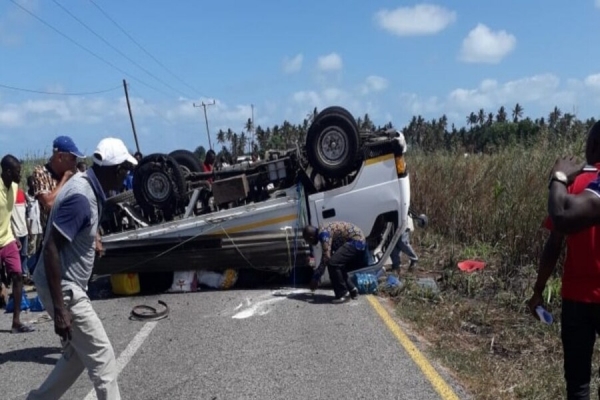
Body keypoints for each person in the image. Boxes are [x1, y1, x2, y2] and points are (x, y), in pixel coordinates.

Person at [28, 137, 138, 400]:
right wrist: (60, 309)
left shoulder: (87, 187)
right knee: (103, 357)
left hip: (65, 285)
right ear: (113, 169)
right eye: (125, 171)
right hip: (65, 288)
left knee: (77, 356)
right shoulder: (81, 196)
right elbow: (52, 248)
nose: (125, 179)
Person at [531, 121, 600, 399]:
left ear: (593, 146)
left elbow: (554, 245)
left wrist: (538, 291)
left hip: (577, 300)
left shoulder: (574, 183)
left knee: (578, 384)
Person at [0, 155, 34, 333]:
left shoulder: (14, 187)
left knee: (18, 276)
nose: (20, 175)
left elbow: (8, 215)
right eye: (17, 172)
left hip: (7, 240)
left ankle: (16, 321)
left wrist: (14, 236)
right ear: (7, 172)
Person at [31, 135, 83, 234]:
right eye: (72, 159)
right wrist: (65, 179)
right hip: (53, 235)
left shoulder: (76, 172)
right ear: (60, 157)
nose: (75, 163)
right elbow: (49, 203)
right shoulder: (41, 173)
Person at [303, 221, 366, 303]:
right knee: (337, 263)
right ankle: (352, 290)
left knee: (333, 263)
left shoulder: (323, 234)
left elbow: (326, 257)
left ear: (311, 238)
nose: (310, 243)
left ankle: (343, 294)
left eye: (308, 241)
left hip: (356, 241)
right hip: (357, 240)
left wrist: (316, 278)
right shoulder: (322, 230)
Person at [11, 186, 29, 279]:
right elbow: (9, 218)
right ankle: (16, 275)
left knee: (24, 254)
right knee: (16, 256)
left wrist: (28, 229)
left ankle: (24, 274)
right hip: (15, 233)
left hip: (24, 231)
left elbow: (25, 214)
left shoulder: (22, 194)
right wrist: (14, 234)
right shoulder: (10, 195)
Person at [25, 176, 43, 275]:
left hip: (39, 227)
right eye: (32, 183)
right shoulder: (26, 196)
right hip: (32, 228)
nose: (34, 185)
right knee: (31, 251)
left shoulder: (38, 196)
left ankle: (36, 271)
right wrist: (29, 230)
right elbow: (26, 214)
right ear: (28, 184)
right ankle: (28, 272)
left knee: (38, 250)